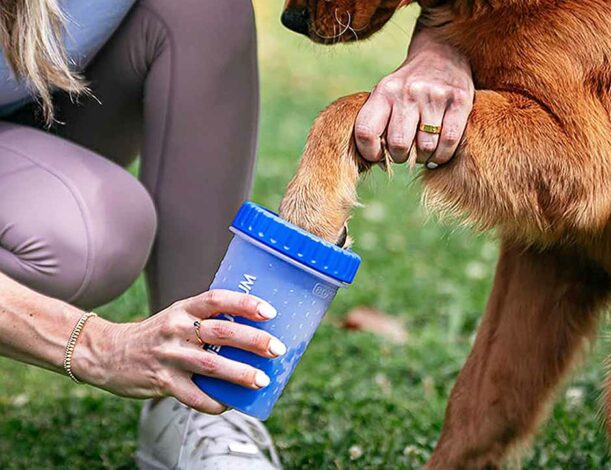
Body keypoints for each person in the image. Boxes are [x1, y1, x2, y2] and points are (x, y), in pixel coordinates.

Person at [0, 0, 474, 468]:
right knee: (85, 237)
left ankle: (196, 400)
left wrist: (441, 42)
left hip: (50, 97)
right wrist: (94, 346)